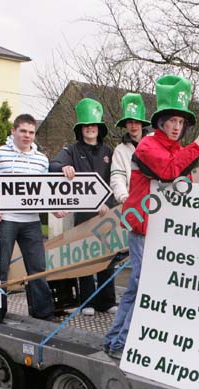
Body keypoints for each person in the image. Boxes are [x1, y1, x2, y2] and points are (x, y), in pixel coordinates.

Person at [103, 75, 199, 359]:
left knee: (137, 286)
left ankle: (115, 340)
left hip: (161, 228)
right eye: (172, 121)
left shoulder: (174, 147)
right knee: (144, 285)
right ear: (162, 122)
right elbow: (168, 171)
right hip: (143, 226)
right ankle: (122, 343)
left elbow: (182, 179)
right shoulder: (149, 145)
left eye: (181, 123)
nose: (177, 127)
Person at [0, 114, 57, 321]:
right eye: (23, 131)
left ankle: (43, 312)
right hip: (5, 222)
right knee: (0, 268)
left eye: (31, 132)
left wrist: (56, 209)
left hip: (32, 223)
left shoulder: (41, 160)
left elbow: (45, 193)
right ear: (13, 131)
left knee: (37, 268)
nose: (27, 136)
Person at [50, 98, 117, 316]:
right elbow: (53, 165)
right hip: (83, 216)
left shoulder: (108, 151)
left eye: (94, 125)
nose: (90, 129)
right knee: (85, 257)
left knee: (107, 258)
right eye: (87, 126)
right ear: (81, 129)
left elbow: (115, 179)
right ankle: (86, 301)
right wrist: (64, 168)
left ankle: (106, 302)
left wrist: (108, 204)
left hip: (105, 213)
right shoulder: (71, 149)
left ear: (99, 128)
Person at [110, 93, 150, 203]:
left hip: (154, 201)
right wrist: (124, 197)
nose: (133, 126)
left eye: (136, 122)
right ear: (126, 125)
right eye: (130, 122)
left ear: (141, 124)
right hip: (132, 203)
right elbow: (117, 177)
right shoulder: (120, 150)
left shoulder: (154, 144)